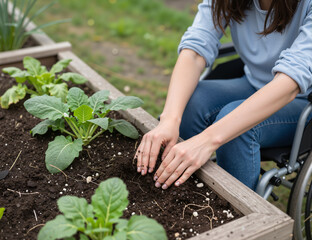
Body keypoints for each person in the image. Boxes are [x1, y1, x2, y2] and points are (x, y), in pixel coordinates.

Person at [134, 0, 312, 191]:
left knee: (234, 127)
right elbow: (195, 50)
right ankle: (181, 187)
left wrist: (207, 140)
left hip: (302, 100)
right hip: (254, 82)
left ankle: (240, 213)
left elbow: (291, 81)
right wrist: (169, 120)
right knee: (192, 102)